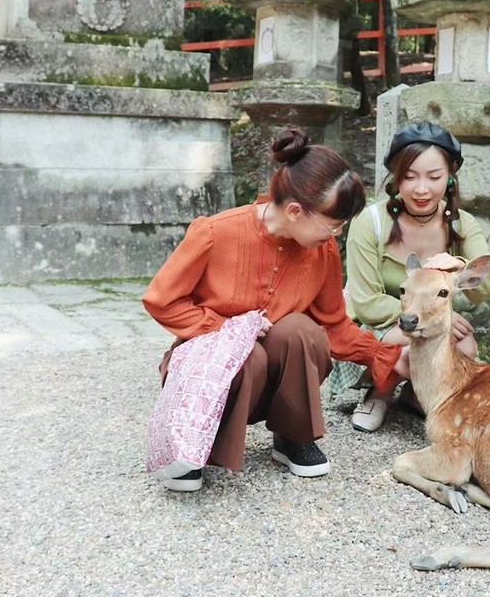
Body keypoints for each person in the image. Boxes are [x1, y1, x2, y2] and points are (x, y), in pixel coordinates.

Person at [143, 128, 405, 492]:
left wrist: (384, 356)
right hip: (211, 367)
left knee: (303, 330)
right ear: (296, 211)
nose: (338, 235)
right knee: (246, 353)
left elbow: (332, 325)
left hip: (272, 370)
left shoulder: (321, 251)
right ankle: (198, 443)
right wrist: (224, 327)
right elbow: (161, 299)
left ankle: (291, 435)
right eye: (333, 225)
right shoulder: (216, 233)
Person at [331, 122, 490, 432]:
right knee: (408, 339)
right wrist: (426, 316)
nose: (421, 189)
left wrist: (459, 261)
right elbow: (367, 303)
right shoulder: (370, 223)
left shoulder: (462, 225)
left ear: (450, 175)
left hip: (426, 324)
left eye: (434, 177)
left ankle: (416, 394)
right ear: (395, 178)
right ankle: (381, 391)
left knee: (466, 348)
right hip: (376, 325)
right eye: (409, 177)